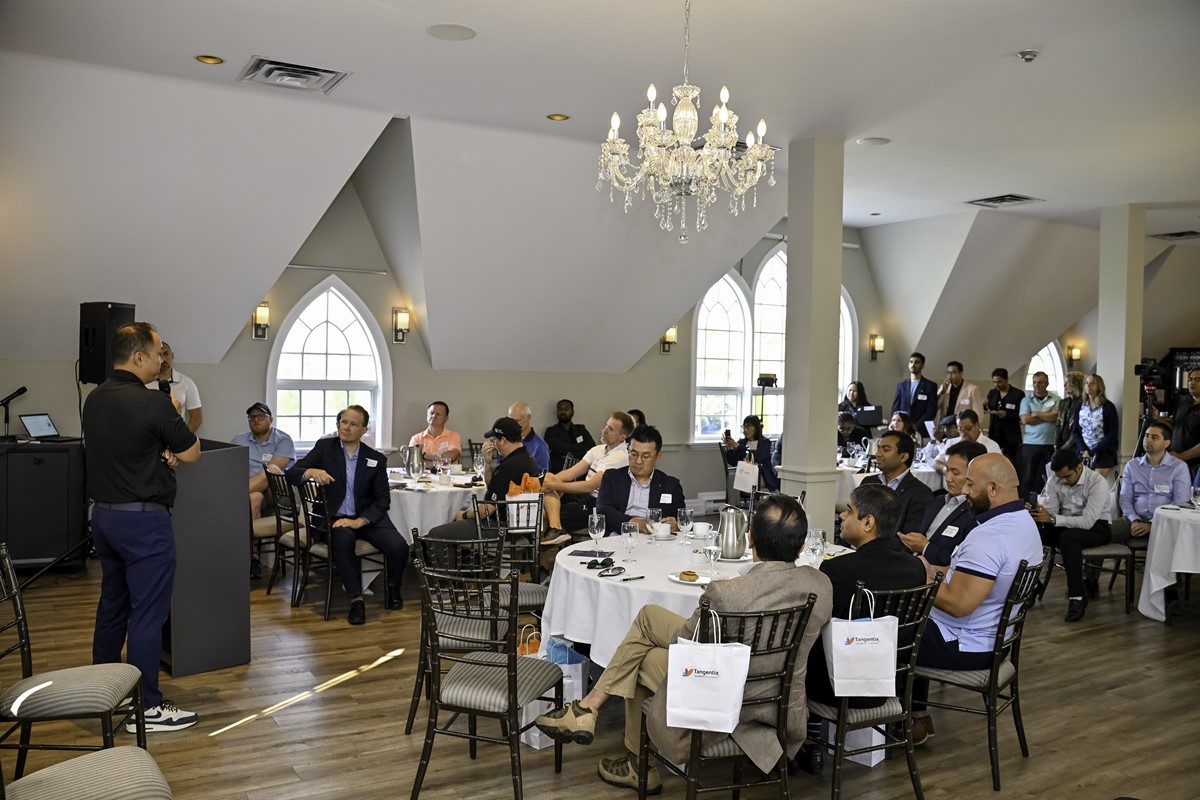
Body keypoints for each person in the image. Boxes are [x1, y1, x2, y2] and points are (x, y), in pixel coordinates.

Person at [534, 495, 832, 792]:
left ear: (750, 540)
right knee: (649, 617)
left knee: (641, 656)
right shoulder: (820, 586)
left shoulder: (727, 594)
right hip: (779, 703)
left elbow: (684, 644)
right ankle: (592, 715)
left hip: (722, 697)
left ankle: (628, 752)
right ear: (801, 547)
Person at [83, 322, 202, 731]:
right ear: (137, 357)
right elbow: (192, 452)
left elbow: (127, 449)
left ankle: (104, 693)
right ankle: (146, 708)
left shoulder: (95, 398)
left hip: (104, 518)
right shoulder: (153, 402)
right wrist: (172, 432)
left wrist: (159, 451)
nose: (160, 361)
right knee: (148, 614)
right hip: (143, 523)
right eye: (156, 354)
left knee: (113, 605)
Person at [909, 454, 1042, 743]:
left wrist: (920, 579)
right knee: (902, 617)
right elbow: (969, 575)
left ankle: (892, 724)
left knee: (881, 627)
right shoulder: (1024, 524)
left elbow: (958, 604)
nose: (965, 491)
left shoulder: (990, 537)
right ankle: (915, 716)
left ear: (993, 488)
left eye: (970, 484)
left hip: (964, 644)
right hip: (994, 640)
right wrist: (930, 570)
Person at [797, 483, 926, 774]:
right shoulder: (916, 568)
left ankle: (807, 737)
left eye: (849, 511)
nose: (842, 516)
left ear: (868, 522)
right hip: (890, 680)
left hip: (839, 686)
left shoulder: (839, 570)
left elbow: (814, 628)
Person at [286, 405, 409, 625]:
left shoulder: (376, 459)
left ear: (364, 430)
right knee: (343, 541)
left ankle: (393, 587)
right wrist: (312, 471)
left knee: (399, 546)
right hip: (333, 518)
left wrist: (360, 521)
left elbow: (382, 500)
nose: (346, 427)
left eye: (353, 424)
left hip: (366, 519)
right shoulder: (325, 448)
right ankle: (356, 599)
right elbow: (291, 473)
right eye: (343, 422)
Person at [427, 417, 543, 548]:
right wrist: (488, 463)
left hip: (499, 528)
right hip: (520, 525)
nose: (493, 444)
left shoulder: (508, 467)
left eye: (494, 440)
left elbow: (486, 511)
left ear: (503, 441)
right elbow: (494, 487)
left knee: (435, 534)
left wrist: (463, 515)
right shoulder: (528, 459)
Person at [1028, 448, 1110, 622]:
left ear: (1079, 468)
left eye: (1067, 476)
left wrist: (1053, 519)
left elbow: (1087, 521)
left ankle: (1077, 597)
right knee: (1033, 532)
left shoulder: (1097, 482)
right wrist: (1040, 512)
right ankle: (1033, 585)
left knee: (1069, 538)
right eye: (1060, 478)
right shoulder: (1055, 479)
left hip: (1097, 527)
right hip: (1064, 524)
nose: (1063, 481)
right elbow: (1051, 510)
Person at [541, 412, 633, 536]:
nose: (604, 430)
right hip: (583, 499)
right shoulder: (598, 449)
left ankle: (555, 530)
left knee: (543, 514)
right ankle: (554, 531)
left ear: (622, 437)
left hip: (598, 506)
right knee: (549, 477)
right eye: (606, 425)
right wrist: (545, 482)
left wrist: (552, 485)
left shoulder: (621, 457)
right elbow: (571, 473)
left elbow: (590, 486)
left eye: (611, 429)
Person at [232, 402, 296, 578]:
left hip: (278, 492)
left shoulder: (283, 439)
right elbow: (229, 467)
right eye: (252, 417)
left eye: (261, 416)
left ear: (270, 419)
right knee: (254, 498)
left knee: (271, 469)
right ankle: (253, 557)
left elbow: (275, 471)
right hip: (253, 492)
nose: (256, 420)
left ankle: (232, 498)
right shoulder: (239, 440)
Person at [900, 440, 987, 568]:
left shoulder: (976, 512)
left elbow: (962, 561)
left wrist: (926, 547)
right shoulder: (936, 501)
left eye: (955, 473)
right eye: (947, 470)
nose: (948, 478)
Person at [595, 425, 685, 534]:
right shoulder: (612, 477)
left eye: (646, 456)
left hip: (655, 539)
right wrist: (633, 523)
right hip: (618, 536)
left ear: (658, 456)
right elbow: (603, 509)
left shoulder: (670, 485)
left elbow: (682, 520)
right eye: (633, 454)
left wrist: (676, 525)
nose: (638, 461)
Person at [1114, 421, 1191, 543]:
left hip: (1166, 523)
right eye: (1146, 436)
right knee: (1102, 532)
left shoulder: (1179, 467)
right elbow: (1125, 499)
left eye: (1154, 437)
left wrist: (1152, 524)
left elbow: (1179, 504)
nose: (1147, 440)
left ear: (1166, 443)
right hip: (1133, 520)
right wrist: (1134, 520)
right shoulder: (1132, 465)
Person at [861, 430, 933, 533]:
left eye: (886, 450)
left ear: (903, 457)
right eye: (878, 448)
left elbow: (909, 536)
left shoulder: (920, 493)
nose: (877, 454)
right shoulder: (868, 482)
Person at [144, 340, 202, 433]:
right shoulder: (145, 382)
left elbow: (197, 417)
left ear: (172, 355)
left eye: (166, 354)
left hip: (177, 436)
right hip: (150, 436)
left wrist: (183, 437)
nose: (163, 359)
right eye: (159, 355)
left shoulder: (186, 382)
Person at [1018, 371, 1059, 495]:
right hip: (1030, 443)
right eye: (1034, 382)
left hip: (1050, 443)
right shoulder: (1026, 400)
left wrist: (1037, 414)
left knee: (1051, 476)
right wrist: (1048, 415)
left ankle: (1049, 500)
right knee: (1027, 477)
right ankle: (1025, 501)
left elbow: (1056, 418)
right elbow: (1025, 420)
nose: (1037, 385)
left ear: (1047, 383)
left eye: (1040, 382)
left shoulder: (1056, 399)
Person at [1071, 373, 1119, 477]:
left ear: (1099, 386)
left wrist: (1093, 451)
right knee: (1082, 482)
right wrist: (1083, 449)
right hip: (1083, 451)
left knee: (1097, 483)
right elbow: (1075, 431)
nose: (1088, 385)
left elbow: (1112, 434)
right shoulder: (1080, 406)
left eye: (1092, 383)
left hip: (1103, 452)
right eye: (1086, 383)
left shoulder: (1108, 407)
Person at [723, 414, 780, 491]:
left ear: (756, 428)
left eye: (748, 427)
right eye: (744, 427)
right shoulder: (742, 442)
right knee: (731, 477)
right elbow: (733, 462)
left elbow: (756, 457)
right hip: (745, 473)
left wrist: (737, 446)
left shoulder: (765, 442)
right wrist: (729, 448)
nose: (745, 430)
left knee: (736, 479)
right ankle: (736, 499)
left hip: (760, 474)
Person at [932, 409, 999, 474]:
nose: (963, 433)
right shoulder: (952, 443)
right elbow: (936, 462)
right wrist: (946, 470)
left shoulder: (991, 446)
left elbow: (996, 469)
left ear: (977, 425)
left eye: (967, 428)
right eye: (960, 429)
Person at [544, 398, 595, 474]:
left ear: (572, 412)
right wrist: (581, 447)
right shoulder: (551, 431)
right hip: (559, 474)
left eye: (566, 409)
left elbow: (592, 448)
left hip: (581, 473)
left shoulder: (581, 429)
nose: (563, 412)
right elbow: (559, 448)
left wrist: (568, 451)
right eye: (560, 409)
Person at [985, 368, 1025, 464]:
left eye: (999, 382)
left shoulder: (1018, 394)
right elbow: (989, 407)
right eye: (994, 382)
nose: (996, 385)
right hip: (995, 434)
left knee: (1010, 461)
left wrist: (1008, 415)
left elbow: (1022, 414)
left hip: (1011, 436)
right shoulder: (992, 393)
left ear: (1006, 380)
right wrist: (984, 405)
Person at [891, 352, 939, 429]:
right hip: (903, 428)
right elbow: (895, 409)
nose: (913, 365)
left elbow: (931, 412)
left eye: (916, 362)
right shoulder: (901, 386)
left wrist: (915, 427)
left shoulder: (930, 386)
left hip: (921, 429)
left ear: (922, 366)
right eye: (911, 362)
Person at [1168, 368, 1200, 478]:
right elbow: (1175, 428)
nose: (1192, 383)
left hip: (1196, 468)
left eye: (1197, 380)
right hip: (1176, 465)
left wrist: (1182, 456)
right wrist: (1158, 418)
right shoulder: (1183, 403)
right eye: (1190, 379)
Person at [408, 400, 461, 466]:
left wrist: (424, 455)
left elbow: (453, 456)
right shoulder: (416, 438)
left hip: (447, 473)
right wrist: (442, 460)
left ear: (446, 419)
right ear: (427, 415)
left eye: (438, 414)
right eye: (432, 413)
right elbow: (413, 461)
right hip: (423, 472)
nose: (434, 416)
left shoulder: (453, 436)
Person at [504, 401, 550, 474]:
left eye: (517, 420)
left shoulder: (540, 446)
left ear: (528, 418)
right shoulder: (506, 441)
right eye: (511, 421)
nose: (513, 425)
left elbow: (540, 476)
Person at [1056, 371, 1085, 450]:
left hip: (1077, 444)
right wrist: (1056, 443)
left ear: (1076, 384)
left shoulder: (1084, 402)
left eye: (1067, 382)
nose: (1064, 385)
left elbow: (1080, 427)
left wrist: (1068, 444)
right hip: (1062, 442)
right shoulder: (1063, 402)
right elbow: (1058, 424)